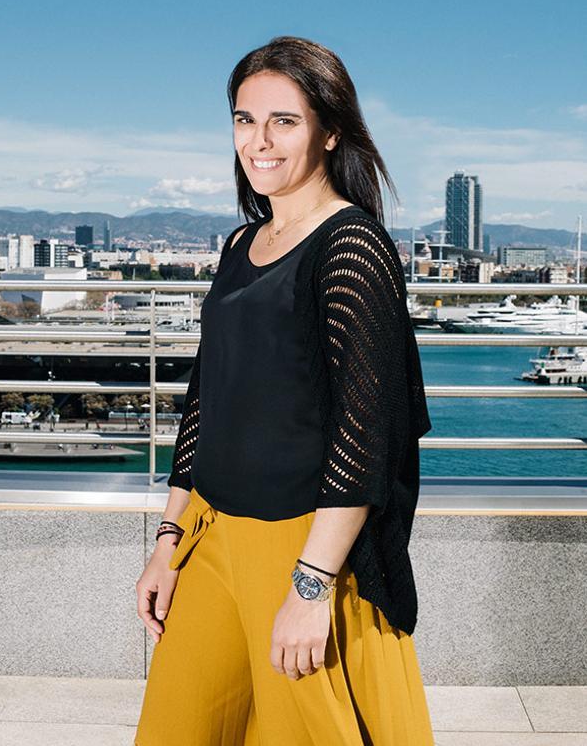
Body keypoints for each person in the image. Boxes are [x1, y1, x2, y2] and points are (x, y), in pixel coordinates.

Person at [134, 36, 435, 745]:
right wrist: (167, 539)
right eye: (244, 119)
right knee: (177, 728)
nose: (258, 140)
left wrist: (311, 587)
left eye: (284, 120)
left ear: (331, 130)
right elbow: (206, 402)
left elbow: (365, 433)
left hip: (302, 549)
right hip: (212, 539)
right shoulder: (241, 245)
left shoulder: (351, 245)